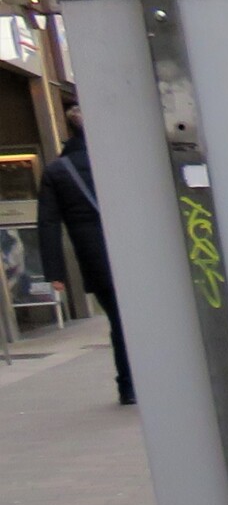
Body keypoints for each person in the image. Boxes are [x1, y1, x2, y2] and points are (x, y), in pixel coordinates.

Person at [36, 100, 132, 405]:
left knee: (118, 319)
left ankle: (128, 386)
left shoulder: (57, 171)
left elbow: (48, 223)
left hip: (95, 258)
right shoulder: (117, 160)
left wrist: (55, 274)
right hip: (132, 251)